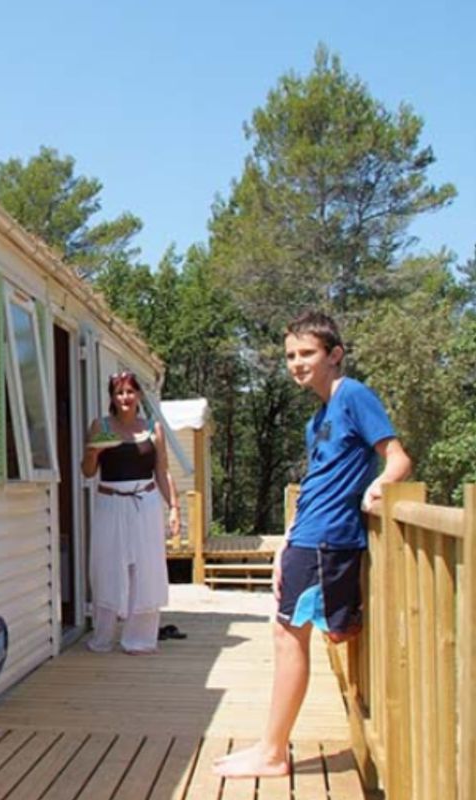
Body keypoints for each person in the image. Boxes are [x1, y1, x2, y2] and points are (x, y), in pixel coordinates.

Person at [215, 310, 411, 779]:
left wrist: (379, 487)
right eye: (290, 356)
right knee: (289, 634)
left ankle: (272, 753)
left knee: (292, 636)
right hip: (307, 538)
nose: (296, 363)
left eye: (307, 353)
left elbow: (398, 459)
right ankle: (270, 745)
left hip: (329, 540)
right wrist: (286, 542)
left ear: (334, 354)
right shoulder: (318, 417)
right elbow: (317, 480)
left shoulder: (353, 395)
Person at [81, 370, 181, 654]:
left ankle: (140, 638)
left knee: (145, 568)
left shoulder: (152, 428)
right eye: (119, 392)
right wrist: (93, 452)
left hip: (145, 502)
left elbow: (162, 472)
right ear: (112, 397)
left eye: (129, 391)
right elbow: (88, 472)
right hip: (110, 502)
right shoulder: (100, 426)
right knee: (107, 567)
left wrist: (174, 508)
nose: (125, 397)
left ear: (138, 394)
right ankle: (103, 636)